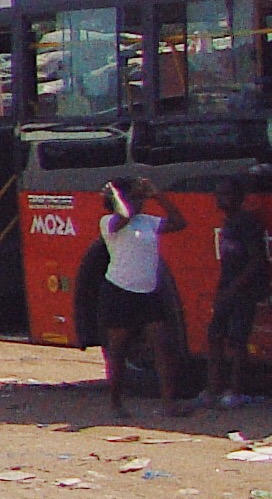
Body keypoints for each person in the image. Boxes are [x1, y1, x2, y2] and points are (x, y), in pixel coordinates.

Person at [91, 174, 187, 422]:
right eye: (134, 195)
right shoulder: (109, 222)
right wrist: (117, 196)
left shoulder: (147, 222)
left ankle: (168, 403)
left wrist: (158, 195)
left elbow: (179, 222)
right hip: (119, 291)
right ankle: (115, 403)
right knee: (118, 350)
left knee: (161, 348)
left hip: (148, 292)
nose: (140, 200)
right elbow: (123, 215)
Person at [209, 173, 267, 410]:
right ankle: (213, 388)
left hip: (243, 290)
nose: (221, 199)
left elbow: (257, 261)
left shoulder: (247, 223)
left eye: (227, 194)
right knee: (214, 335)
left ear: (239, 197)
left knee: (237, 339)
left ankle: (236, 391)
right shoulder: (228, 222)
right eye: (219, 194)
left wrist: (234, 287)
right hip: (227, 287)